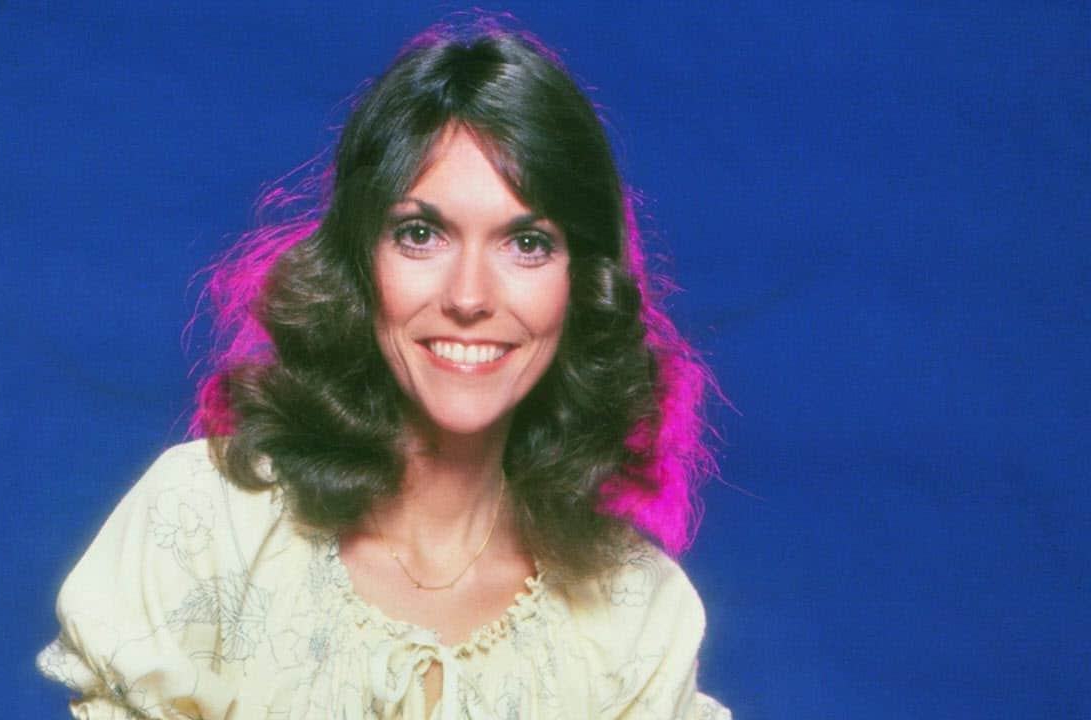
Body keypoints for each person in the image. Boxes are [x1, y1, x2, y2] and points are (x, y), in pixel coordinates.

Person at [38, 17, 730, 720]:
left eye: (526, 243)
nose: (468, 297)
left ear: (583, 283)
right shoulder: (204, 528)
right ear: (359, 262)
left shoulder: (635, 622)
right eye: (420, 234)